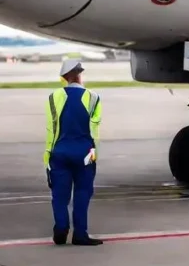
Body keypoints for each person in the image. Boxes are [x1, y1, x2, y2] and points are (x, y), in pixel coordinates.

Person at [45, 59, 104, 246]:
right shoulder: (94, 98)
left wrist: (48, 157)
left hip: (59, 152)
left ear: (65, 78)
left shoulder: (53, 97)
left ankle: (61, 228)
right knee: (82, 193)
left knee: (59, 195)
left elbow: (52, 129)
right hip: (85, 154)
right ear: (79, 75)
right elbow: (94, 132)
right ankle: (80, 234)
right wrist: (93, 156)